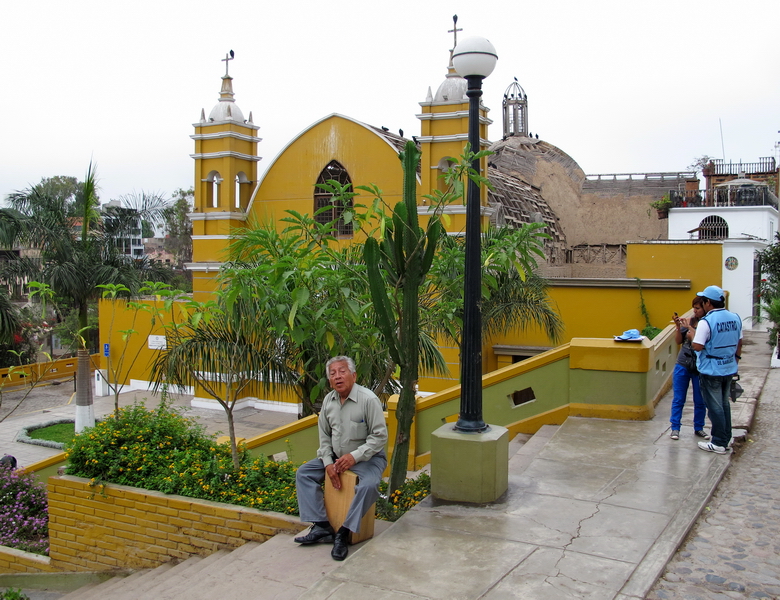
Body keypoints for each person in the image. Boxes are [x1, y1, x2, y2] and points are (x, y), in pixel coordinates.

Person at [294, 356, 388, 561]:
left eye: (342, 371)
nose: (337, 377)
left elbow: (379, 437)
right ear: (329, 380)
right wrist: (328, 463)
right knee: (304, 474)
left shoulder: (368, 399)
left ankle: (344, 532)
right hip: (335, 457)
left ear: (353, 375)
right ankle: (322, 526)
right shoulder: (329, 400)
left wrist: (354, 457)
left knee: (369, 486)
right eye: (333, 373)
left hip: (368, 458)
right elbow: (324, 436)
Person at [692, 285, 743, 454]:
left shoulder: (707, 322)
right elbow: (739, 341)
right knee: (724, 404)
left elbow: (698, 346)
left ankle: (719, 442)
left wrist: (692, 335)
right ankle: (726, 438)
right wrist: (736, 360)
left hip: (711, 370)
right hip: (729, 367)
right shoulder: (735, 317)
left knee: (714, 407)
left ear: (708, 303)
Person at [669, 297, 708, 440]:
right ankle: (675, 427)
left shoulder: (707, 323)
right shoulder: (689, 321)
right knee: (679, 398)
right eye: (694, 308)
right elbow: (679, 341)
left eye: (698, 308)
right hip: (683, 364)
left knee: (700, 399)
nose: (695, 311)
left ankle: (699, 427)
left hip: (699, 366)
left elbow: (699, 341)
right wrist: (678, 327)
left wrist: (691, 329)